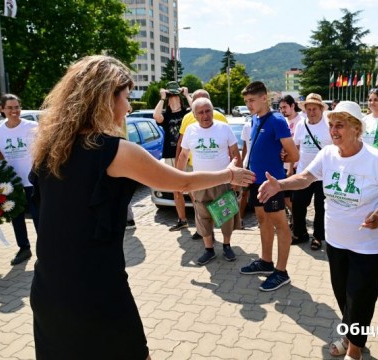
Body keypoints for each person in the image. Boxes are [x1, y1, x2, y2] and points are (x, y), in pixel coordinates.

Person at [29, 55, 255, 360]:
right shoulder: (114, 151)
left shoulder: (49, 148)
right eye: (125, 97)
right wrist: (229, 174)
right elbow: (181, 183)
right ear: (106, 98)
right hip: (95, 287)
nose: (129, 107)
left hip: (48, 288)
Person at [257, 101, 378, 360]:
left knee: (360, 298)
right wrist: (279, 184)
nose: (334, 131)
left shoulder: (376, 160)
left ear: (356, 128)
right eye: (332, 125)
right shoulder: (328, 154)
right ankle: (349, 336)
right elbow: (306, 177)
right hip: (336, 242)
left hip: (370, 245)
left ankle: (355, 350)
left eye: (340, 125)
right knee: (343, 295)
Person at [239, 81, 299, 292]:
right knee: (263, 220)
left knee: (280, 225)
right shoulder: (255, 119)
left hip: (272, 184)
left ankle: (281, 272)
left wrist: (282, 160)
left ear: (264, 97)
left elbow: (294, 154)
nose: (249, 105)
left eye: (252, 100)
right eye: (246, 101)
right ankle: (266, 261)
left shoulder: (277, 120)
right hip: (256, 182)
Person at [177, 98, 241, 264]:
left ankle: (227, 246)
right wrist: (178, 178)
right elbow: (183, 155)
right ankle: (209, 249)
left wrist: (235, 178)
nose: (205, 115)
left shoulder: (224, 128)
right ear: (194, 115)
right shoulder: (190, 130)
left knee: (226, 214)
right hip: (199, 182)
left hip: (222, 180)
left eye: (208, 111)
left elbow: (235, 153)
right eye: (201, 112)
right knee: (202, 215)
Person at [175, 89, 228, 240]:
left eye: (204, 101)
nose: (202, 110)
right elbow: (182, 142)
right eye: (197, 101)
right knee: (198, 203)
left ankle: (220, 237)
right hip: (194, 166)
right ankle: (204, 231)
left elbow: (225, 141)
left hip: (218, 169)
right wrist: (179, 168)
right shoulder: (187, 118)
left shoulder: (220, 117)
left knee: (219, 203)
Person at [0, 94, 39, 265]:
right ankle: (24, 249)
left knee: (38, 216)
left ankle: (45, 251)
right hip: (11, 183)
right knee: (17, 217)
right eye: (10, 108)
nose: (15, 111)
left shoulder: (33, 126)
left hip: (33, 179)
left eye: (17, 107)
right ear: (2, 109)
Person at [290, 93, 332, 249]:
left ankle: (318, 237)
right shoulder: (301, 124)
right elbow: (296, 147)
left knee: (320, 207)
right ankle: (300, 233)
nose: (312, 112)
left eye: (315, 108)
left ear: (321, 109)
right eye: (309, 109)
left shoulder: (328, 125)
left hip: (323, 174)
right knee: (298, 204)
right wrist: (291, 169)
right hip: (303, 172)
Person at [153, 81, 193, 232]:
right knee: (177, 189)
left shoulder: (187, 114)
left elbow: (196, 109)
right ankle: (182, 220)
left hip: (186, 155)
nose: (173, 98)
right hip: (170, 154)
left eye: (175, 96)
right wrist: (162, 98)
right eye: (170, 97)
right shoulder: (167, 116)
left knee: (192, 188)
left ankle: (199, 221)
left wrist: (187, 94)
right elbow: (156, 115)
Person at [278, 95, 305, 229]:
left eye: (285, 107)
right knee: (285, 197)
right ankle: (295, 220)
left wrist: (290, 168)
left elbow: (298, 146)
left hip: (295, 166)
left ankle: (297, 222)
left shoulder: (302, 121)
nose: (283, 110)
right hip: (282, 164)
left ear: (293, 106)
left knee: (291, 198)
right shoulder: (282, 121)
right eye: (281, 108)